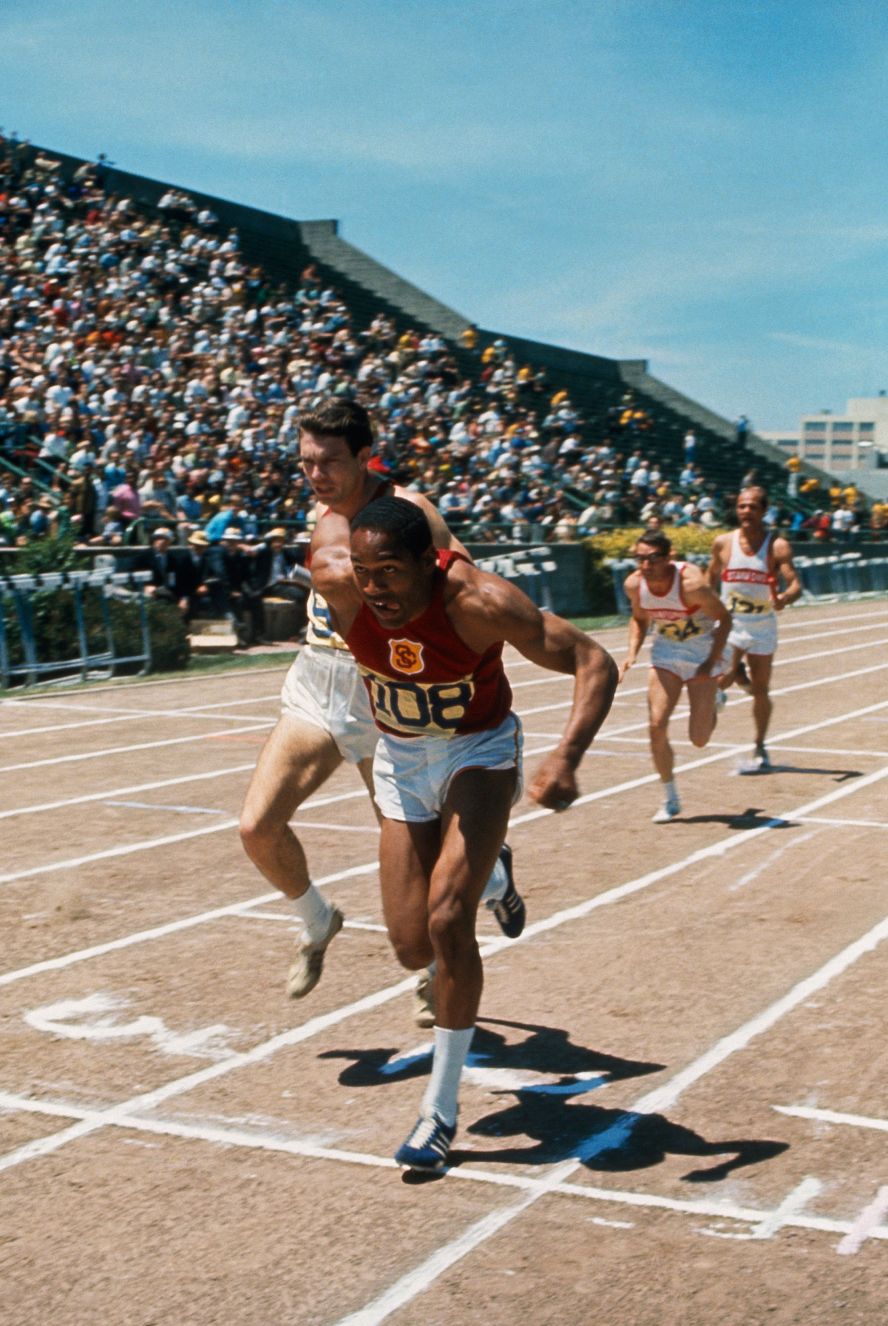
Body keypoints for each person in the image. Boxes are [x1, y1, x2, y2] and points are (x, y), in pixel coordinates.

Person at [315, 496, 617, 1169]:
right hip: (399, 758)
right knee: (408, 942)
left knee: (449, 919)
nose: (375, 589)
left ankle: (439, 1111)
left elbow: (595, 662)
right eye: (364, 573)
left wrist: (565, 756)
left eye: (389, 572)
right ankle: (495, 872)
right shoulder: (338, 586)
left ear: (430, 562)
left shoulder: (479, 603)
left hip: (476, 752)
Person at [239, 400, 523, 1022]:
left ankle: (466, 922)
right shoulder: (320, 512)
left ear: (365, 456)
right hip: (317, 686)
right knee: (256, 827)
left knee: (413, 865)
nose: (315, 474)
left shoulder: (410, 511)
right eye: (306, 462)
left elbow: (463, 583)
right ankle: (317, 920)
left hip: (386, 699)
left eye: (329, 462)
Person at [619, 529, 732, 822]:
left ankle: (716, 696)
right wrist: (632, 651)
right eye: (639, 558)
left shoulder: (692, 585)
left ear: (670, 557)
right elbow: (639, 618)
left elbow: (725, 619)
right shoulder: (634, 585)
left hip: (701, 653)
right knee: (656, 725)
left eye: (653, 558)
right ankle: (670, 799)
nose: (645, 565)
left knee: (699, 739)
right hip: (666, 653)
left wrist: (711, 661)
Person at [708, 487, 801, 772]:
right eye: (741, 506)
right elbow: (708, 577)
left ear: (763, 511)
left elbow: (795, 584)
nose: (746, 511)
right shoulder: (723, 543)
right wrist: (701, 608)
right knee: (721, 679)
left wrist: (785, 597)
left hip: (762, 626)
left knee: (761, 690)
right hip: (731, 624)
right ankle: (735, 678)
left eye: (752, 507)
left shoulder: (777, 546)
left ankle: (760, 744)